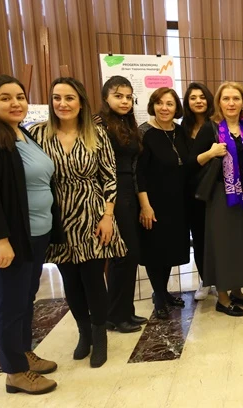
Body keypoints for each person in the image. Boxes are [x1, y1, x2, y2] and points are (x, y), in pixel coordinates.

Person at [31, 77, 126, 368]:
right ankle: (84, 333)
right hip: (57, 216)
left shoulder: (96, 134)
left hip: (92, 214)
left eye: (69, 98)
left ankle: (99, 335)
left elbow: (109, 178)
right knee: (70, 280)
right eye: (57, 98)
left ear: (81, 102)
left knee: (93, 279)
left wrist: (108, 216)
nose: (63, 103)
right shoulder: (37, 134)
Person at [0, 75, 58, 394]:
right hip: (10, 239)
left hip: (35, 234)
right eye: (5, 97)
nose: (15, 103)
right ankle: (14, 371)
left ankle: (24, 353)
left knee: (26, 298)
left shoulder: (21, 133)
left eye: (20, 97)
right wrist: (0, 240)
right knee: (11, 304)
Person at [190, 81, 243, 317]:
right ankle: (222, 297)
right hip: (221, 196)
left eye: (236, 98)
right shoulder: (210, 129)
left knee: (242, 243)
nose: (231, 103)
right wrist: (211, 153)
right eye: (226, 99)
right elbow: (192, 162)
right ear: (219, 103)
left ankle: (237, 292)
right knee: (222, 245)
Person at [96, 76, 147, 334]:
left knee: (129, 255)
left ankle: (123, 311)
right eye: (118, 96)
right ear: (106, 98)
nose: (125, 101)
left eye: (128, 97)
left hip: (128, 190)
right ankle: (116, 315)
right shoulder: (98, 125)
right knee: (123, 255)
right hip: (112, 193)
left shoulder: (127, 123)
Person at [137, 87, 190, 320]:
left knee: (169, 249)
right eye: (159, 103)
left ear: (176, 107)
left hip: (178, 203)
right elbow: (139, 173)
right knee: (155, 250)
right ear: (153, 106)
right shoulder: (144, 133)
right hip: (153, 202)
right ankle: (158, 295)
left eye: (169, 103)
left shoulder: (180, 131)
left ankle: (164, 292)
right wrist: (145, 206)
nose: (164, 108)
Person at [181, 82, 217, 301]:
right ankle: (205, 279)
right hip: (191, 191)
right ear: (187, 102)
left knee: (217, 236)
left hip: (215, 189)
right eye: (193, 97)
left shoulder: (217, 126)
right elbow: (185, 164)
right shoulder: (181, 129)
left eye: (202, 97)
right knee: (199, 236)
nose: (198, 101)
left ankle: (221, 279)